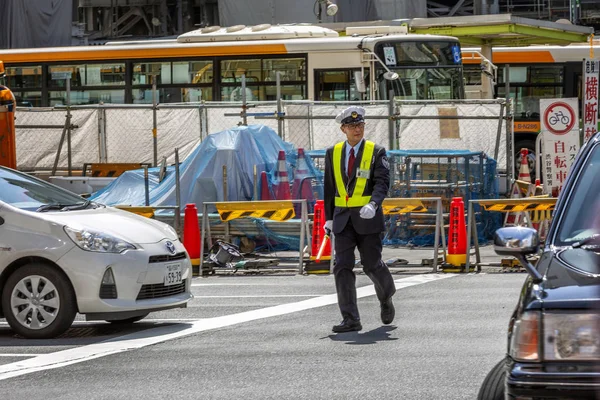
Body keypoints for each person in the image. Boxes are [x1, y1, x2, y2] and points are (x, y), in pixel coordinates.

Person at [323, 106, 396, 333]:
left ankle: (386, 297)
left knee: (371, 265)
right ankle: (350, 319)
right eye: (353, 126)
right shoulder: (333, 152)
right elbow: (329, 188)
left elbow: (382, 183)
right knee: (342, 267)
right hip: (342, 220)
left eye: (361, 125)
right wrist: (328, 219)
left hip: (368, 218)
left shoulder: (376, 151)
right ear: (343, 129)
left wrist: (373, 204)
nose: (358, 129)